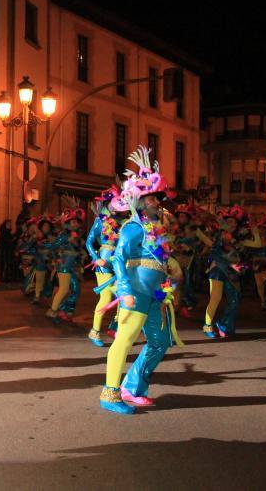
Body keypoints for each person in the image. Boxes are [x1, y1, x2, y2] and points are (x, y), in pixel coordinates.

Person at [100, 146, 183, 414]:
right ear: (139, 201)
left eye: (157, 198)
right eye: (151, 199)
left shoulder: (157, 230)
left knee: (160, 343)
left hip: (156, 296)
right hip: (136, 292)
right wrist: (124, 290)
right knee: (123, 341)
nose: (157, 202)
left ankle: (132, 387)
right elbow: (118, 259)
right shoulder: (133, 228)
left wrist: (170, 268)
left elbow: (158, 260)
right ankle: (110, 393)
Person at [195, 205, 261, 338]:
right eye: (228, 221)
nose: (231, 223)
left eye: (234, 221)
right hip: (218, 269)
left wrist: (254, 228)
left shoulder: (241, 239)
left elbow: (258, 244)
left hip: (233, 273)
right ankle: (207, 326)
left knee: (235, 300)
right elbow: (216, 255)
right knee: (215, 298)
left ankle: (223, 324)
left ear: (238, 224)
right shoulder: (219, 238)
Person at [85, 186, 127, 346]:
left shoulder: (124, 223)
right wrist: (96, 258)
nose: (117, 206)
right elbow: (89, 242)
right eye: (114, 203)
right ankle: (94, 331)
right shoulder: (100, 221)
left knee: (122, 294)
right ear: (107, 204)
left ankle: (114, 327)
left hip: (119, 262)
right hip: (103, 263)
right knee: (106, 297)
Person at [44, 201, 86, 325]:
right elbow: (54, 245)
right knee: (63, 289)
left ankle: (65, 311)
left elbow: (80, 251)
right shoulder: (64, 235)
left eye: (77, 221)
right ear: (67, 223)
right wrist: (43, 244)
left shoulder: (78, 237)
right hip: (63, 266)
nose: (75, 223)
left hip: (72, 267)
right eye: (73, 221)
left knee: (76, 290)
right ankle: (52, 311)